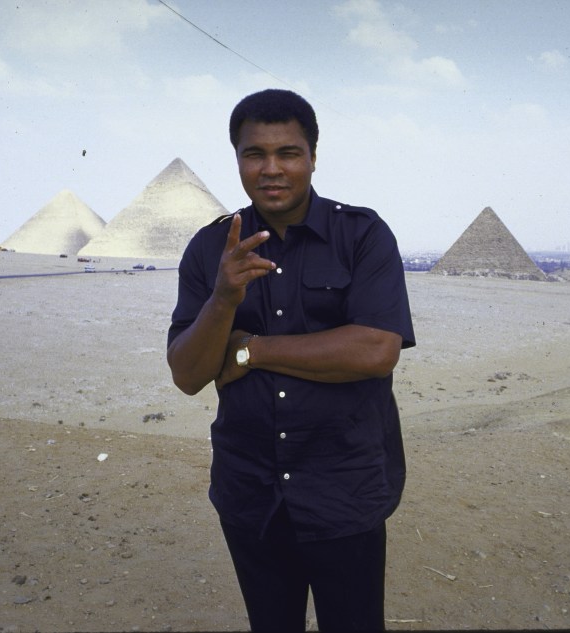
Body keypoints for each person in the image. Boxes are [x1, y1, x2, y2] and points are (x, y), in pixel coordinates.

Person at [167, 88, 416, 632]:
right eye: (255, 154)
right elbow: (188, 374)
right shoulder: (211, 250)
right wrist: (224, 299)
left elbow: (376, 350)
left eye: (289, 153)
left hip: (344, 487)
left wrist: (250, 350)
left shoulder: (362, 235)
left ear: (313, 157)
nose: (271, 169)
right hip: (250, 490)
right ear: (236, 159)